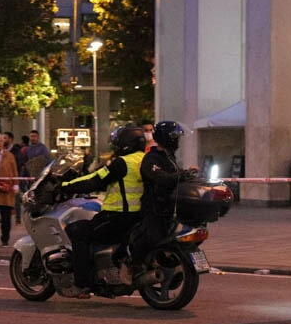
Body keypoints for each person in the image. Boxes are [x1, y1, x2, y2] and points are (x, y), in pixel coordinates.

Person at [60, 125, 146, 297]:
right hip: (139, 217)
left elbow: (96, 179)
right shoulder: (146, 160)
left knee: (77, 231)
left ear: (125, 143)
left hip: (117, 217)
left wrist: (65, 185)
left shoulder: (123, 163)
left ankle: (81, 284)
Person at [127, 121, 198, 284]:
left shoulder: (169, 157)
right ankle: (135, 268)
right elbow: (163, 178)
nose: (177, 142)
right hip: (154, 209)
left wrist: (189, 174)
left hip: (169, 209)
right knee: (146, 240)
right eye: (174, 138)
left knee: (165, 241)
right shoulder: (151, 159)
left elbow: (175, 175)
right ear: (164, 139)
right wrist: (183, 175)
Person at [0, 137, 17, 245]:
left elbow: (14, 171)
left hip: (6, 191)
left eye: (0, 142)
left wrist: (16, 186)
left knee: (6, 218)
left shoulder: (9, 156)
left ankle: (5, 240)